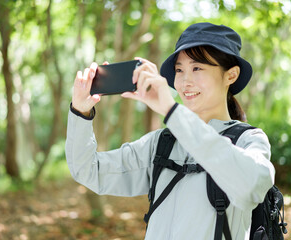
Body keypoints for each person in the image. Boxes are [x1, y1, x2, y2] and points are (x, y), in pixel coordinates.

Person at [65, 22, 275, 240]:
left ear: (230, 75)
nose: (185, 81)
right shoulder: (162, 143)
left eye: (197, 68)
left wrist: (171, 111)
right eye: (179, 70)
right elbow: (88, 170)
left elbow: (251, 186)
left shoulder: (249, 140)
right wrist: (80, 110)